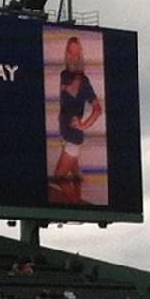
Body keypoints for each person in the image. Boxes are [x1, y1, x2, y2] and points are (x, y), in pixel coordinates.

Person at [51, 37, 102, 205]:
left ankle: (76, 205)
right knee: (75, 174)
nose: (73, 55)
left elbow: (97, 109)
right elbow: (68, 92)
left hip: (73, 137)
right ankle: (78, 200)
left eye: (76, 51)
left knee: (59, 176)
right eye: (70, 51)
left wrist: (83, 125)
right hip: (64, 134)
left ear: (80, 53)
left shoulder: (83, 80)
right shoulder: (65, 74)